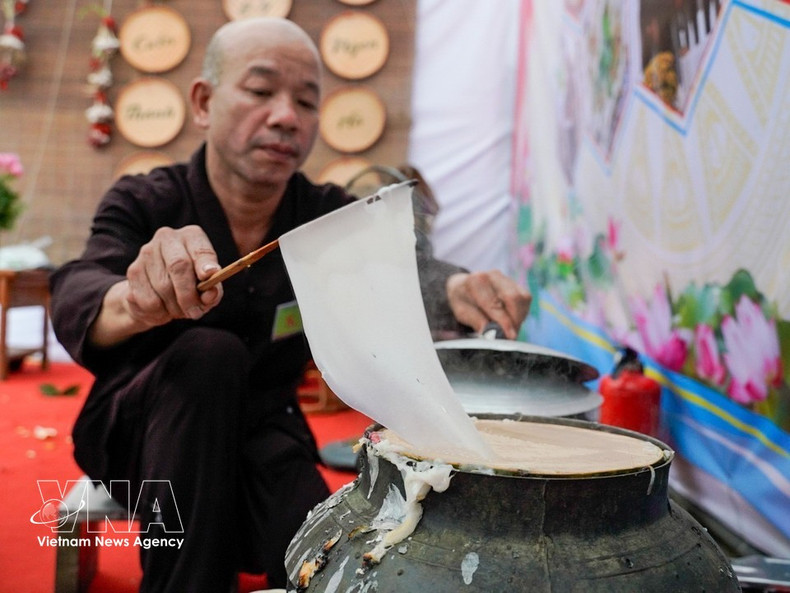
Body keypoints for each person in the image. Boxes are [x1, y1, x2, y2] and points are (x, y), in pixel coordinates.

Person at [49, 17, 530, 592]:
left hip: (263, 428)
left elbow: (401, 275)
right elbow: (78, 292)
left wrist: (454, 290)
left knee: (323, 560)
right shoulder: (147, 200)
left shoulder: (324, 218)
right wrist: (136, 299)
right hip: (141, 429)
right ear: (203, 101)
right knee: (207, 354)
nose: (285, 117)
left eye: (306, 101)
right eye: (259, 91)